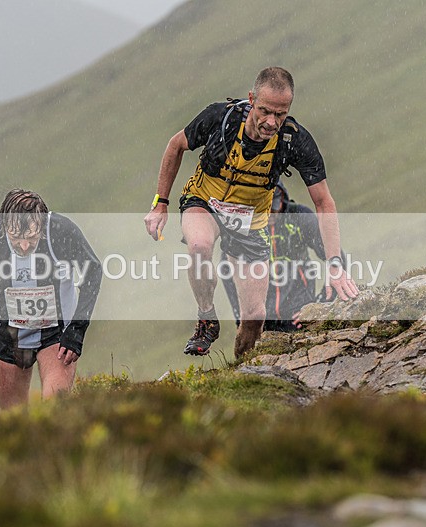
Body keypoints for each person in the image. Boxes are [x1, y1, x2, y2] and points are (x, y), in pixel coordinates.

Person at [144, 67, 358, 359]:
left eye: (280, 114)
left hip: (250, 220)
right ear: (251, 100)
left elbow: (324, 203)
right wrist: (161, 203)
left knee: (255, 315)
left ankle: (245, 367)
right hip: (205, 201)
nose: (271, 122)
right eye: (265, 111)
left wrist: (334, 264)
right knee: (199, 245)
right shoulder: (221, 118)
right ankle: (207, 318)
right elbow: (176, 145)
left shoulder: (294, 140)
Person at [0, 189, 102, 408]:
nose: (24, 246)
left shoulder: (61, 230)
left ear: (43, 225)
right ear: (4, 226)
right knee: (14, 418)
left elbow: (93, 271)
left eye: (32, 237)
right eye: (16, 238)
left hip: (55, 334)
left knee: (54, 411)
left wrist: (77, 329)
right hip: (9, 335)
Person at [222, 181, 345, 332]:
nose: (270, 214)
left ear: (282, 198)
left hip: (299, 315)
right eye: (264, 210)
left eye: (274, 208)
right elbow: (227, 271)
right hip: (263, 320)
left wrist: (320, 305)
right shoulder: (243, 228)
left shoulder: (300, 216)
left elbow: (336, 257)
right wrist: (241, 317)